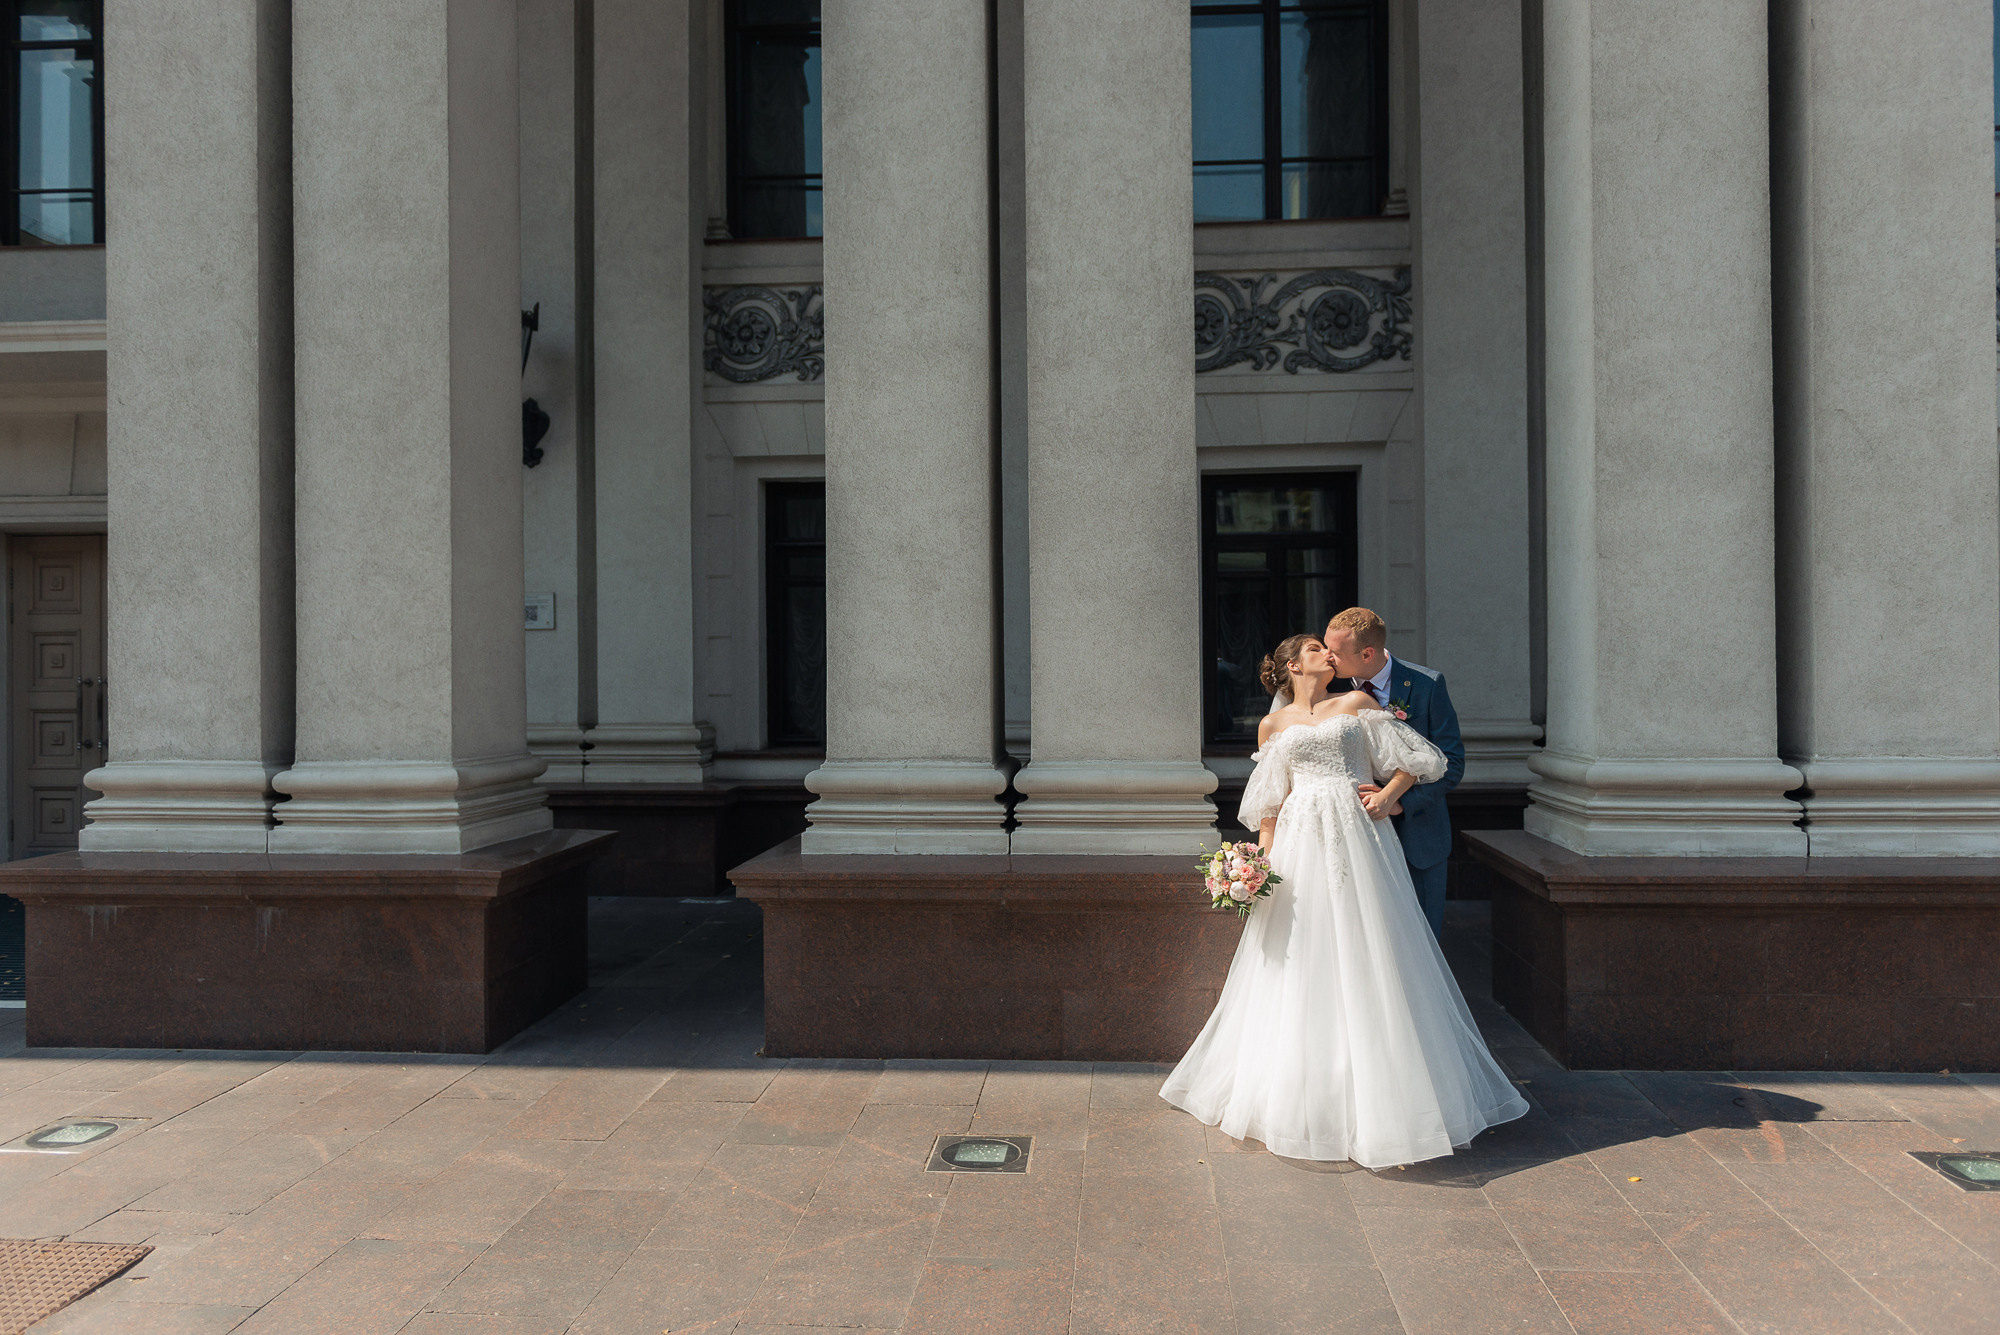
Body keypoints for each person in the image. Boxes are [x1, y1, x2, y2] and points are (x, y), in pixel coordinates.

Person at [1161, 632, 1526, 1168]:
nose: (1327, 654)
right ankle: (1299, 1097)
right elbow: (1269, 804)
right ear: (1292, 666)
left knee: (1368, 948)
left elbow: (1419, 761)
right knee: (1301, 957)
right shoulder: (1273, 724)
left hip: (1359, 840)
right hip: (1298, 842)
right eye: (1314, 648)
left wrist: (1386, 796)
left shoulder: (1357, 704)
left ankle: (1390, 1103)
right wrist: (1259, 865)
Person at [1272, 607, 1463, 938]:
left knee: (1420, 944)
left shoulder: (1425, 685)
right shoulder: (1336, 694)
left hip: (1418, 835)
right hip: (1352, 842)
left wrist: (1396, 800)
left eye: (1334, 651)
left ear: (1367, 653)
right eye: (1323, 647)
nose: (1328, 656)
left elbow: (1451, 762)